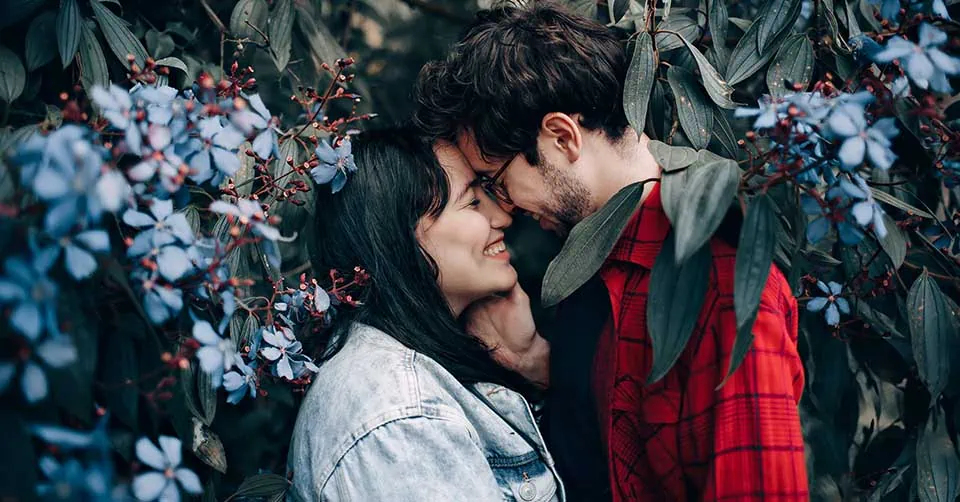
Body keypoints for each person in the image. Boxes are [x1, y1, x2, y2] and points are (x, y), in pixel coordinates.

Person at [413, 2, 809, 501]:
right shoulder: (588, 265)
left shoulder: (723, 287)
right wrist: (536, 363)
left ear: (561, 137)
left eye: (498, 182)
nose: (505, 211)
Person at [286, 127, 564, 501]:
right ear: (402, 237)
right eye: (472, 202)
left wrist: (531, 363)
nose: (503, 216)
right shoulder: (400, 418)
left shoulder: (416, 375)